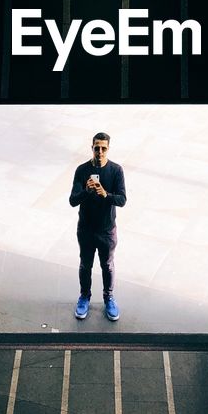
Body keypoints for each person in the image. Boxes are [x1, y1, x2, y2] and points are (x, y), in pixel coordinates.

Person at [69, 132, 126, 321]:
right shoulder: (82, 170)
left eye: (103, 148)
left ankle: (108, 297)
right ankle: (84, 296)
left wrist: (105, 194)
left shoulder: (116, 171)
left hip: (107, 230)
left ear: (108, 148)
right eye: (96, 148)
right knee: (85, 265)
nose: (100, 152)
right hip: (85, 229)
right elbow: (72, 200)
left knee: (107, 265)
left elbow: (122, 199)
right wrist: (86, 191)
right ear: (91, 148)